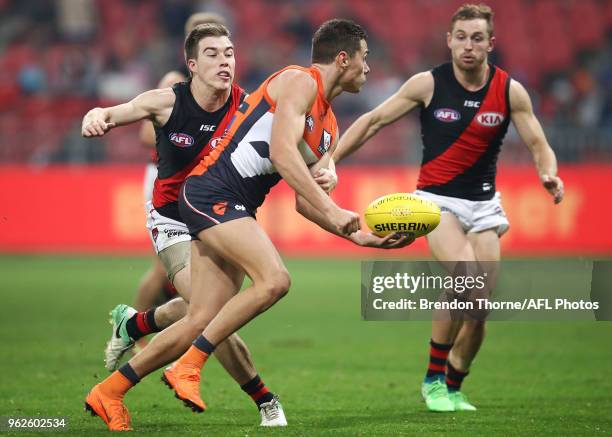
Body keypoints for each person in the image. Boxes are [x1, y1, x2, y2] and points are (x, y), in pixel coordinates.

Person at [84, 18, 412, 431]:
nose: (368, 69)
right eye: (364, 59)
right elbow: (281, 153)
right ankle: (197, 368)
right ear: (343, 59)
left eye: (229, 52)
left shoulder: (327, 128)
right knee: (274, 280)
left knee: (201, 316)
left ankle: (110, 389)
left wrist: (363, 237)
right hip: (206, 197)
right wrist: (335, 211)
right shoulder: (299, 81)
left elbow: (305, 205)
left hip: (229, 204)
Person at [332, 3, 564, 412]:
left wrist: (549, 174)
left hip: (485, 207)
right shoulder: (428, 84)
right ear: (449, 41)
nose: (468, 46)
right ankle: (433, 381)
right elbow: (373, 121)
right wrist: (330, 161)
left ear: (490, 43)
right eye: (461, 37)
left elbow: (539, 143)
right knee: (465, 278)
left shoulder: (509, 90)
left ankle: (454, 381)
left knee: (479, 309)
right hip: (435, 203)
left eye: (477, 38)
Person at [82, 23, 288, 431]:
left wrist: (325, 168)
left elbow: (288, 142)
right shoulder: (165, 102)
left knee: (207, 308)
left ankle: (136, 324)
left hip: (220, 217)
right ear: (192, 65)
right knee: (212, 314)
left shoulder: (246, 108)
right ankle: (265, 399)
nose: (224, 61)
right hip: (173, 220)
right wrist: (96, 115)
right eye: (212, 54)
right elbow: (114, 112)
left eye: (229, 53)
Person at [104, 11, 228, 369]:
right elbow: (147, 134)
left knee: (205, 283)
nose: (219, 55)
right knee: (166, 274)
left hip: (203, 188)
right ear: (190, 50)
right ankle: (141, 337)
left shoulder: (223, 92)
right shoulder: (174, 85)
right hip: (165, 181)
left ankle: (135, 325)